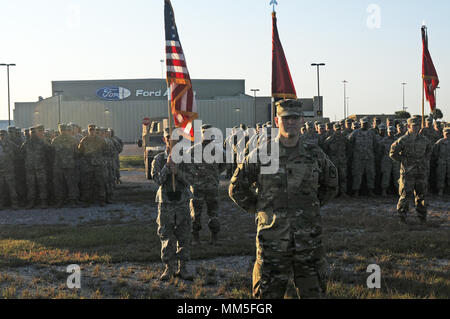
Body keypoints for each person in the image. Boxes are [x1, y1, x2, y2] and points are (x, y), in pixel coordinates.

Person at [229, 99, 338, 299]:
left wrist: (310, 206)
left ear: (302, 121)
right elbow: (236, 188)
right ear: (276, 120)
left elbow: (331, 183)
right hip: (272, 243)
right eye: (286, 118)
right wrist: (260, 210)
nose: (291, 123)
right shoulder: (261, 154)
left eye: (295, 118)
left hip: (309, 242)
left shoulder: (315, 154)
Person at [152, 128, 195, 281]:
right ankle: (169, 267)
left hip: (182, 202)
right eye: (169, 137)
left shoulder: (186, 158)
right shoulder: (158, 159)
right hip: (166, 204)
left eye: (175, 138)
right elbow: (157, 180)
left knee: (184, 234)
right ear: (164, 140)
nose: (172, 140)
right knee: (166, 234)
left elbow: (191, 179)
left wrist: (178, 172)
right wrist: (167, 167)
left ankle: (183, 267)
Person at [188, 124, 226, 246]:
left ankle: (196, 239)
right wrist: (214, 174)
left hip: (197, 187)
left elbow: (187, 167)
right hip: (212, 186)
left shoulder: (193, 150)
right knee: (213, 212)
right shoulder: (219, 151)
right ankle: (214, 238)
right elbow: (224, 165)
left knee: (196, 213)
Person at [390, 117, 432, 224]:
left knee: (421, 195)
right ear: (408, 126)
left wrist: (423, 161)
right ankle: (402, 217)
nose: (416, 128)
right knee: (405, 195)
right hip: (408, 172)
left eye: (418, 126)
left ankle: (422, 217)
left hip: (421, 172)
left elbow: (429, 151)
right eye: (414, 126)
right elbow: (392, 153)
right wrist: (403, 161)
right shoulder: (403, 140)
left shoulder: (424, 140)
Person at [21, 125, 52, 209]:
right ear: (30, 134)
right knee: (30, 186)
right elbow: (22, 154)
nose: (33, 134)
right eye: (32, 133)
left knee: (42, 185)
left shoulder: (42, 143)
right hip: (30, 169)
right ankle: (31, 202)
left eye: (35, 132)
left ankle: (43, 202)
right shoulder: (26, 144)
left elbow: (49, 152)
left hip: (40, 168)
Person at [78, 124, 108, 207]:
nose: (92, 131)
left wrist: (101, 159)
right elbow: (80, 152)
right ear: (88, 131)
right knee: (88, 183)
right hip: (88, 166)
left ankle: (102, 200)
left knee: (100, 183)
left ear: (95, 130)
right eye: (90, 130)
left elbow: (106, 150)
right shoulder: (84, 140)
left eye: (93, 130)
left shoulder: (101, 140)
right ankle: (88, 200)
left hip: (99, 165)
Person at [347, 118, 378, 197]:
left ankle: (371, 191)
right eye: (363, 123)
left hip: (369, 157)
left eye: (366, 123)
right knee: (357, 175)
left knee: (371, 174)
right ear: (360, 124)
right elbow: (349, 142)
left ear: (368, 124)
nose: (364, 124)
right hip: (358, 158)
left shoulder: (371, 133)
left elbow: (375, 144)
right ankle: (356, 191)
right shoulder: (355, 132)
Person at [51, 124, 80, 207]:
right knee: (59, 184)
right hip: (60, 165)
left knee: (71, 184)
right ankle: (60, 200)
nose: (63, 131)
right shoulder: (55, 140)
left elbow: (77, 153)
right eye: (62, 130)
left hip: (68, 165)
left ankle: (72, 200)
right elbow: (51, 153)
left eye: (64, 130)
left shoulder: (72, 140)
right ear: (60, 130)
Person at [0, 130, 20, 209]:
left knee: (12, 188)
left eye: (3, 135)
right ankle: (1, 204)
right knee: (1, 189)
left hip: (9, 170)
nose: (2, 136)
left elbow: (19, 153)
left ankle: (15, 204)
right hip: (0, 171)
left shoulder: (12, 145)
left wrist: (12, 160)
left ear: (6, 135)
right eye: (0, 135)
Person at [433, 127, 450, 196]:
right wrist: (437, 159)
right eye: (446, 133)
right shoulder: (440, 142)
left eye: (449, 134)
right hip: (441, 162)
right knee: (441, 176)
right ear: (443, 133)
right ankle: (440, 190)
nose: (448, 135)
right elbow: (435, 152)